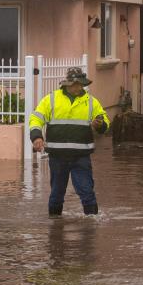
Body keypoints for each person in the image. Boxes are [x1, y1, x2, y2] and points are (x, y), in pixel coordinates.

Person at [29, 67, 110, 216]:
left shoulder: (91, 102)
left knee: (87, 193)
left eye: (81, 84)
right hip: (58, 157)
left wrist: (100, 125)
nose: (78, 87)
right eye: (75, 84)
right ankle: (54, 227)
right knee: (57, 195)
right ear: (67, 84)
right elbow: (36, 118)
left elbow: (105, 122)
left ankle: (91, 227)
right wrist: (37, 137)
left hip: (81, 157)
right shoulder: (51, 99)